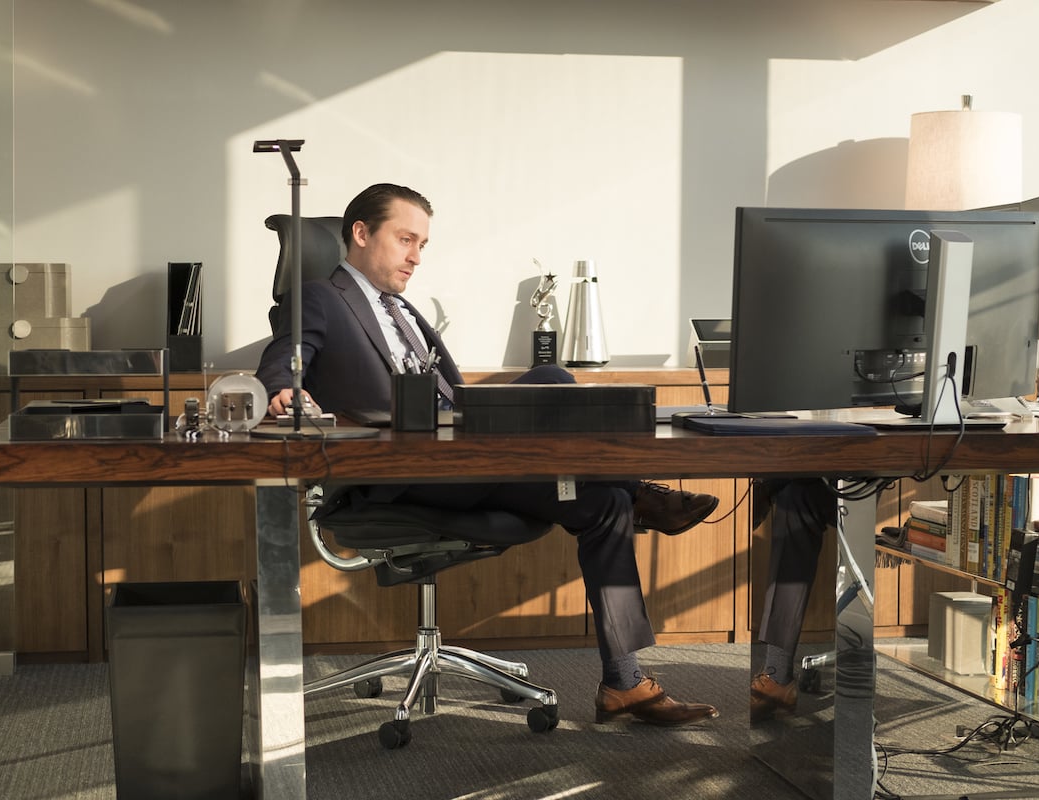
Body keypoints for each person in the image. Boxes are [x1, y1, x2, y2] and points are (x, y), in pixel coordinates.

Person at [257, 182, 721, 726]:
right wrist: (278, 391)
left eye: (423, 244)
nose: (416, 256)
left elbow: (452, 393)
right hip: (404, 471)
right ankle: (639, 488)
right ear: (360, 234)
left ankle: (622, 680)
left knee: (573, 432)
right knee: (609, 493)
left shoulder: (404, 311)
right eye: (406, 239)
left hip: (464, 450)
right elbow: (281, 363)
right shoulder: (320, 297)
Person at [748, 478, 838, 722]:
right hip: (823, 480)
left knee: (789, 488)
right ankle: (777, 678)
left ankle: (767, 487)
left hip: (864, 480)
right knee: (794, 498)